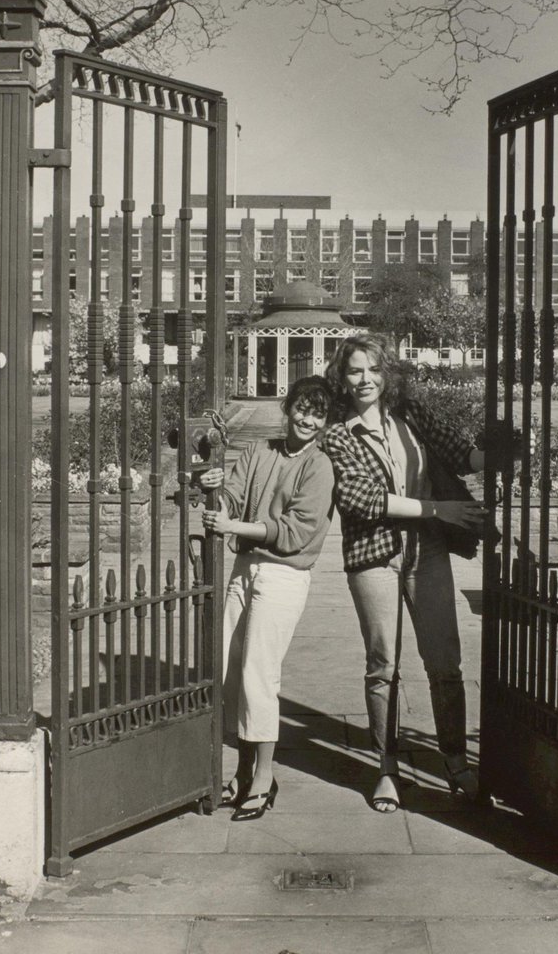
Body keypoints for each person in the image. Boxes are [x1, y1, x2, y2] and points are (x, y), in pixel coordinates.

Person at [323, 334, 514, 814]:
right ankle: (386, 768)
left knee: (445, 664)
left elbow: (461, 455)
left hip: (426, 552)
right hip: (375, 554)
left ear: (387, 373)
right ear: (342, 379)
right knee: (383, 664)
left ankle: (454, 762)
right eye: (354, 371)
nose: (365, 380)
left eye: (373, 370)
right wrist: (439, 509)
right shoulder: (337, 434)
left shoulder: (411, 417)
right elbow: (362, 501)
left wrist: (504, 452)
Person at [200, 375, 334, 821]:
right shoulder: (262, 449)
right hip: (245, 568)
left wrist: (235, 529)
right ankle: (240, 770)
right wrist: (218, 491)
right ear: (288, 406)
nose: (308, 419)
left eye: (318, 413)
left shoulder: (319, 466)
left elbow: (296, 533)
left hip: (283, 575)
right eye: (302, 408)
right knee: (228, 671)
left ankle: (263, 777)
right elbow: (235, 497)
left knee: (260, 673)